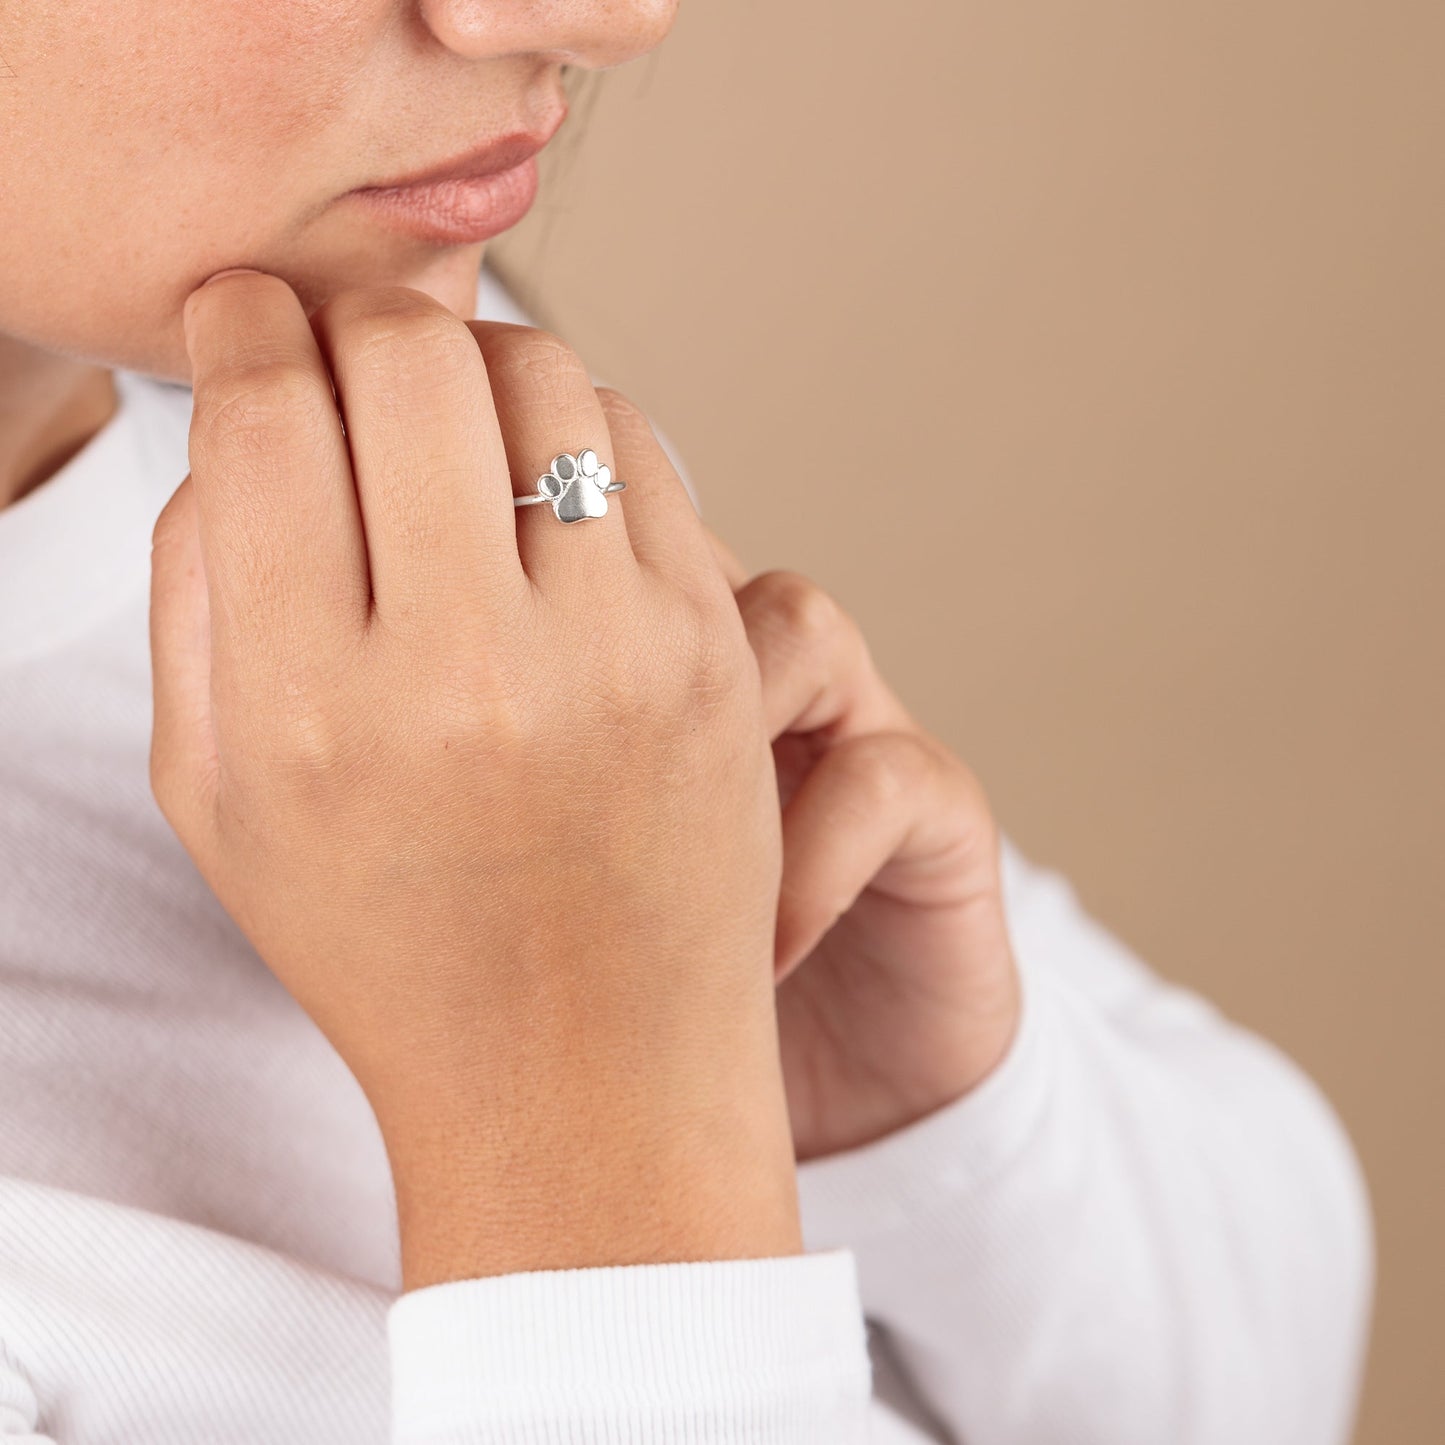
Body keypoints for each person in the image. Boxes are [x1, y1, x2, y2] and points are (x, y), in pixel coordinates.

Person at [0, 3, 1373, 1442]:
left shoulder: (406, 438)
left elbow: (1273, 1368)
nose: (612, 16)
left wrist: (939, 1131)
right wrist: (600, 1143)